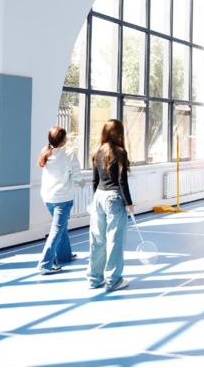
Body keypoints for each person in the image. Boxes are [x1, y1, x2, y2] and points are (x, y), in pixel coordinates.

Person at [88, 119, 134, 292]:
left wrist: (96, 200)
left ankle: (94, 279)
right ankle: (113, 280)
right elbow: (122, 181)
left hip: (99, 197)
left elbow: (94, 180)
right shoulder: (120, 152)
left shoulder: (97, 151)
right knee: (115, 240)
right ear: (118, 133)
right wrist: (129, 203)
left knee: (98, 239)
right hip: (114, 197)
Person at [36, 127, 83, 275]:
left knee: (61, 226)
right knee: (57, 229)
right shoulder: (69, 154)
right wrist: (81, 181)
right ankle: (45, 264)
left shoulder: (46, 152)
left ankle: (64, 256)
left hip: (48, 197)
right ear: (63, 139)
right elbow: (76, 175)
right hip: (63, 198)